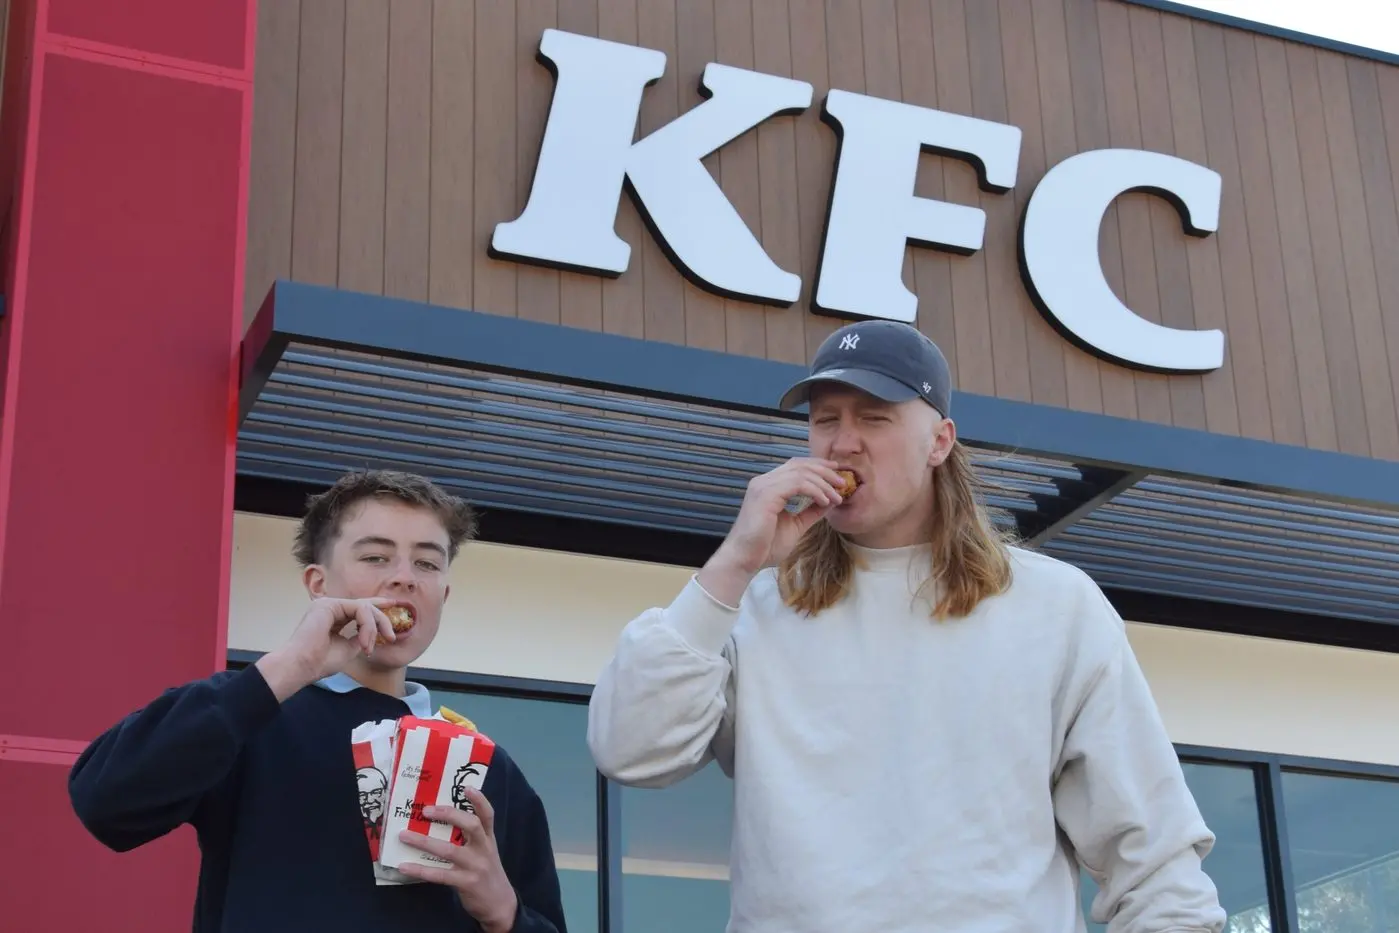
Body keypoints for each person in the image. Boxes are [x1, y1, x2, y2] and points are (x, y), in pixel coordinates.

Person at [586, 320, 1227, 932]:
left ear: (939, 442)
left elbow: (1153, 856)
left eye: (875, 417)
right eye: (824, 419)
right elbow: (630, 750)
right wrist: (733, 563)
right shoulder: (755, 604)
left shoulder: (1053, 605)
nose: (843, 441)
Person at [70, 469, 567, 933]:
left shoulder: (489, 769)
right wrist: (292, 666)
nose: (404, 577)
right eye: (375, 557)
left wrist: (507, 915)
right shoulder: (255, 717)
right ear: (318, 585)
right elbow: (105, 801)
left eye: (427, 562)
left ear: (443, 594)